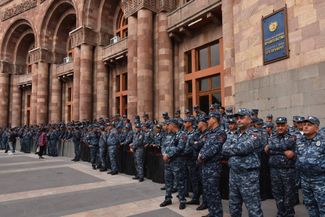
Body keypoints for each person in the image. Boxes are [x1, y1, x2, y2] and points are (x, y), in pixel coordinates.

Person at [222, 108, 264, 217]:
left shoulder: (256, 134)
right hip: (233, 174)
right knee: (234, 207)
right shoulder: (233, 134)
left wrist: (233, 149)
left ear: (250, 120)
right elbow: (224, 149)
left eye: (242, 117)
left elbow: (244, 148)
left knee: (253, 208)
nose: (239, 120)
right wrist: (235, 149)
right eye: (237, 118)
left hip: (248, 176)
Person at [264, 117, 296, 217]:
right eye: (278, 125)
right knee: (277, 193)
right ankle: (280, 213)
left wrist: (272, 148)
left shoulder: (292, 136)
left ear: (286, 126)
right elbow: (267, 149)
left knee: (289, 194)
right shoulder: (272, 136)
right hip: (274, 170)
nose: (280, 127)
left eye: (282, 125)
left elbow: (286, 144)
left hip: (287, 170)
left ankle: (289, 213)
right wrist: (284, 151)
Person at [198, 112, 226, 217]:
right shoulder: (210, 133)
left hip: (214, 166)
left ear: (214, 119)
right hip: (205, 166)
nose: (207, 121)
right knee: (208, 191)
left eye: (209, 119)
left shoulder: (221, 133)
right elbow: (204, 146)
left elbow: (215, 148)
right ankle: (212, 212)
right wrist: (201, 154)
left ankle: (217, 214)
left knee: (214, 191)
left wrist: (202, 156)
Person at [296, 116, 325, 216]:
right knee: (310, 205)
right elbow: (298, 157)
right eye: (304, 124)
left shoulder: (323, 141)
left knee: (323, 206)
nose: (305, 127)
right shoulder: (300, 141)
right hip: (305, 180)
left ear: (316, 128)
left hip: (320, 180)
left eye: (309, 125)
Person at [160, 119, 187, 210]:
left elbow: (180, 147)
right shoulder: (168, 135)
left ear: (174, 125)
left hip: (177, 162)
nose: (168, 126)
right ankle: (168, 198)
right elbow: (163, 146)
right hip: (167, 162)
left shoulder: (182, 135)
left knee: (180, 182)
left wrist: (169, 155)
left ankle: (182, 200)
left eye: (169, 125)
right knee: (168, 181)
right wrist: (164, 154)